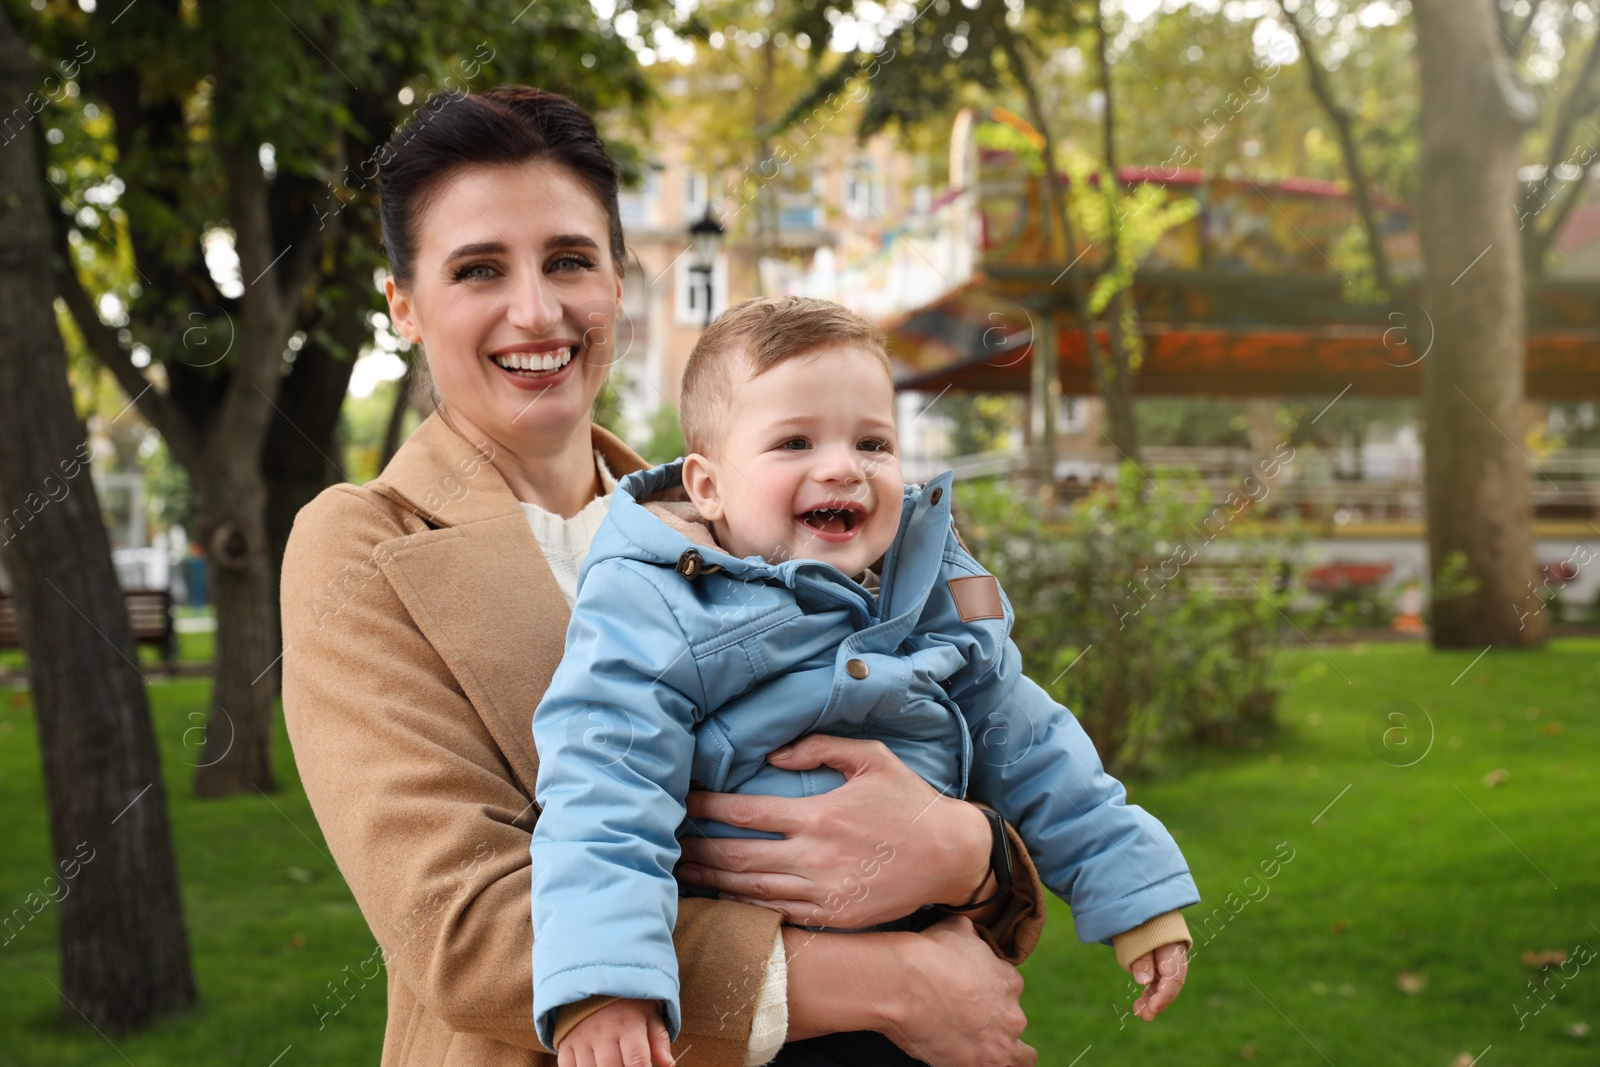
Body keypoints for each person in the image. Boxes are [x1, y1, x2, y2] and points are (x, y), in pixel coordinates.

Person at [280, 86, 1062, 1067]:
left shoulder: (740, 510)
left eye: (570, 260)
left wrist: (968, 851)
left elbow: (972, 740)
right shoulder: (361, 545)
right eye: (478, 268)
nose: (537, 309)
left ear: (618, 281)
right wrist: (888, 983)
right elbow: (467, 931)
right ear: (403, 304)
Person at [532, 297, 1200, 1067]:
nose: (844, 465)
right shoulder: (661, 602)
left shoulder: (934, 591)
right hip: (770, 997)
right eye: (794, 440)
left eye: (873, 442)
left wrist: (1134, 889)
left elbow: (1034, 742)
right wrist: (606, 980)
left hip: (932, 961)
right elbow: (603, 783)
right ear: (707, 486)